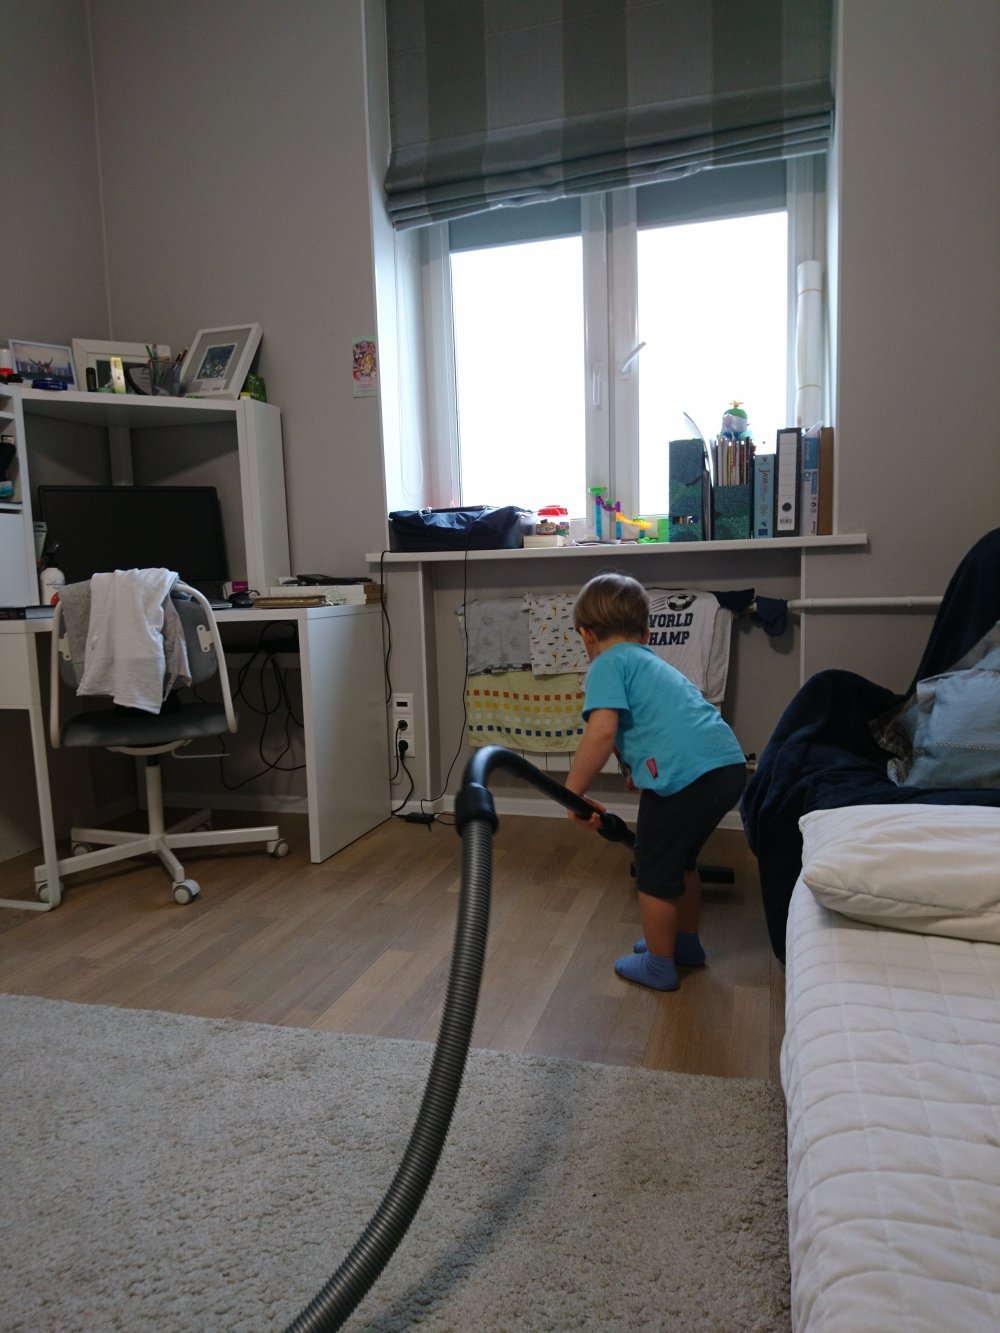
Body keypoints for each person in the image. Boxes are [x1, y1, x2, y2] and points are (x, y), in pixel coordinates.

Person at [565, 573, 746, 992]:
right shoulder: (650, 662)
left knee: (653, 870)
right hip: (726, 768)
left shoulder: (606, 664)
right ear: (646, 632)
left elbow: (602, 732)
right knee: (681, 863)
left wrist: (571, 792)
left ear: (586, 635)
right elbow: (650, 729)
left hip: (688, 778)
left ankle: (660, 964)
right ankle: (684, 944)